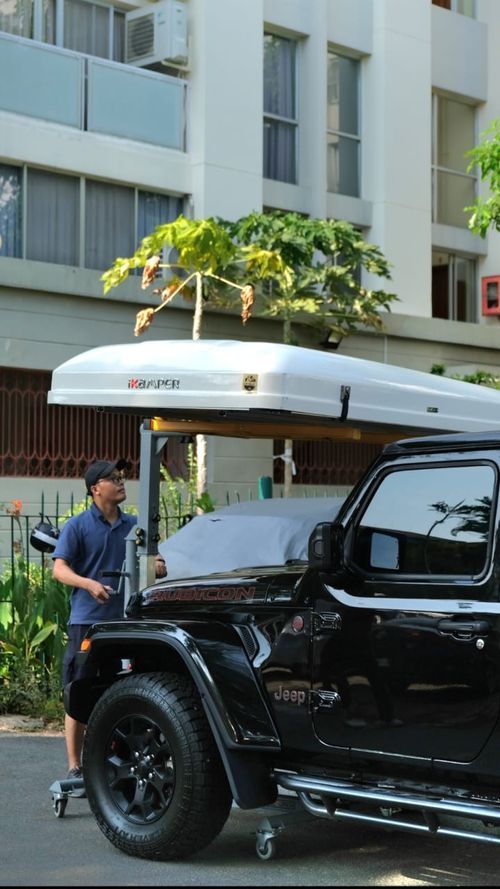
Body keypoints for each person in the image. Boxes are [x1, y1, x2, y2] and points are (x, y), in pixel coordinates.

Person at [52, 458, 167, 781]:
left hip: (127, 623)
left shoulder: (135, 526)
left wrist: (157, 565)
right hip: (87, 623)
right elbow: (59, 569)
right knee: (78, 692)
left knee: (122, 692)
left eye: (122, 477)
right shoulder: (77, 526)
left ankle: (114, 758)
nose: (121, 482)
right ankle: (75, 766)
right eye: (113, 479)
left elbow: (155, 559)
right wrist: (88, 584)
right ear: (95, 489)